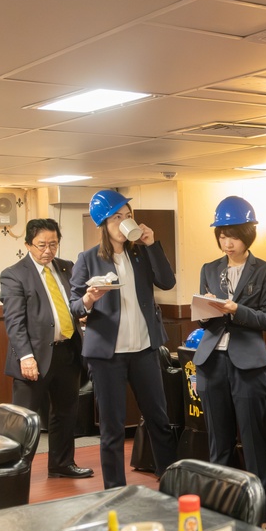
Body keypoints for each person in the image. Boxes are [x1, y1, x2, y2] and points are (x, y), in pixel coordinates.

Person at [70, 190, 178, 489]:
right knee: (112, 428)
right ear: (103, 224)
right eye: (117, 217)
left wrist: (152, 244)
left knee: (159, 418)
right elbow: (73, 305)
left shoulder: (142, 253)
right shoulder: (88, 258)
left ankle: (170, 483)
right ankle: (114, 490)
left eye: (128, 215)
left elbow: (167, 282)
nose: (124, 222)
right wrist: (89, 299)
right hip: (107, 355)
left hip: (144, 349)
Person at [193, 196, 266, 521]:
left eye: (232, 236)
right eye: (221, 236)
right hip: (211, 361)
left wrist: (236, 309)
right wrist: (207, 309)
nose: (226, 243)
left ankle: (261, 512)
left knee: (254, 442)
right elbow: (203, 317)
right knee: (219, 442)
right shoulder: (209, 269)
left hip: (248, 363)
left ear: (247, 234)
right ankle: (222, 508)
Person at [0, 219, 92, 479]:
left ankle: (62, 464)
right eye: (41, 245)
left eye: (53, 244)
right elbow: (15, 322)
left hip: (68, 352)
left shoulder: (67, 268)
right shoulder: (14, 274)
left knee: (65, 413)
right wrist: (26, 358)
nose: (48, 251)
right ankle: (15, 472)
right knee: (25, 420)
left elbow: (74, 305)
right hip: (34, 357)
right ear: (28, 244)